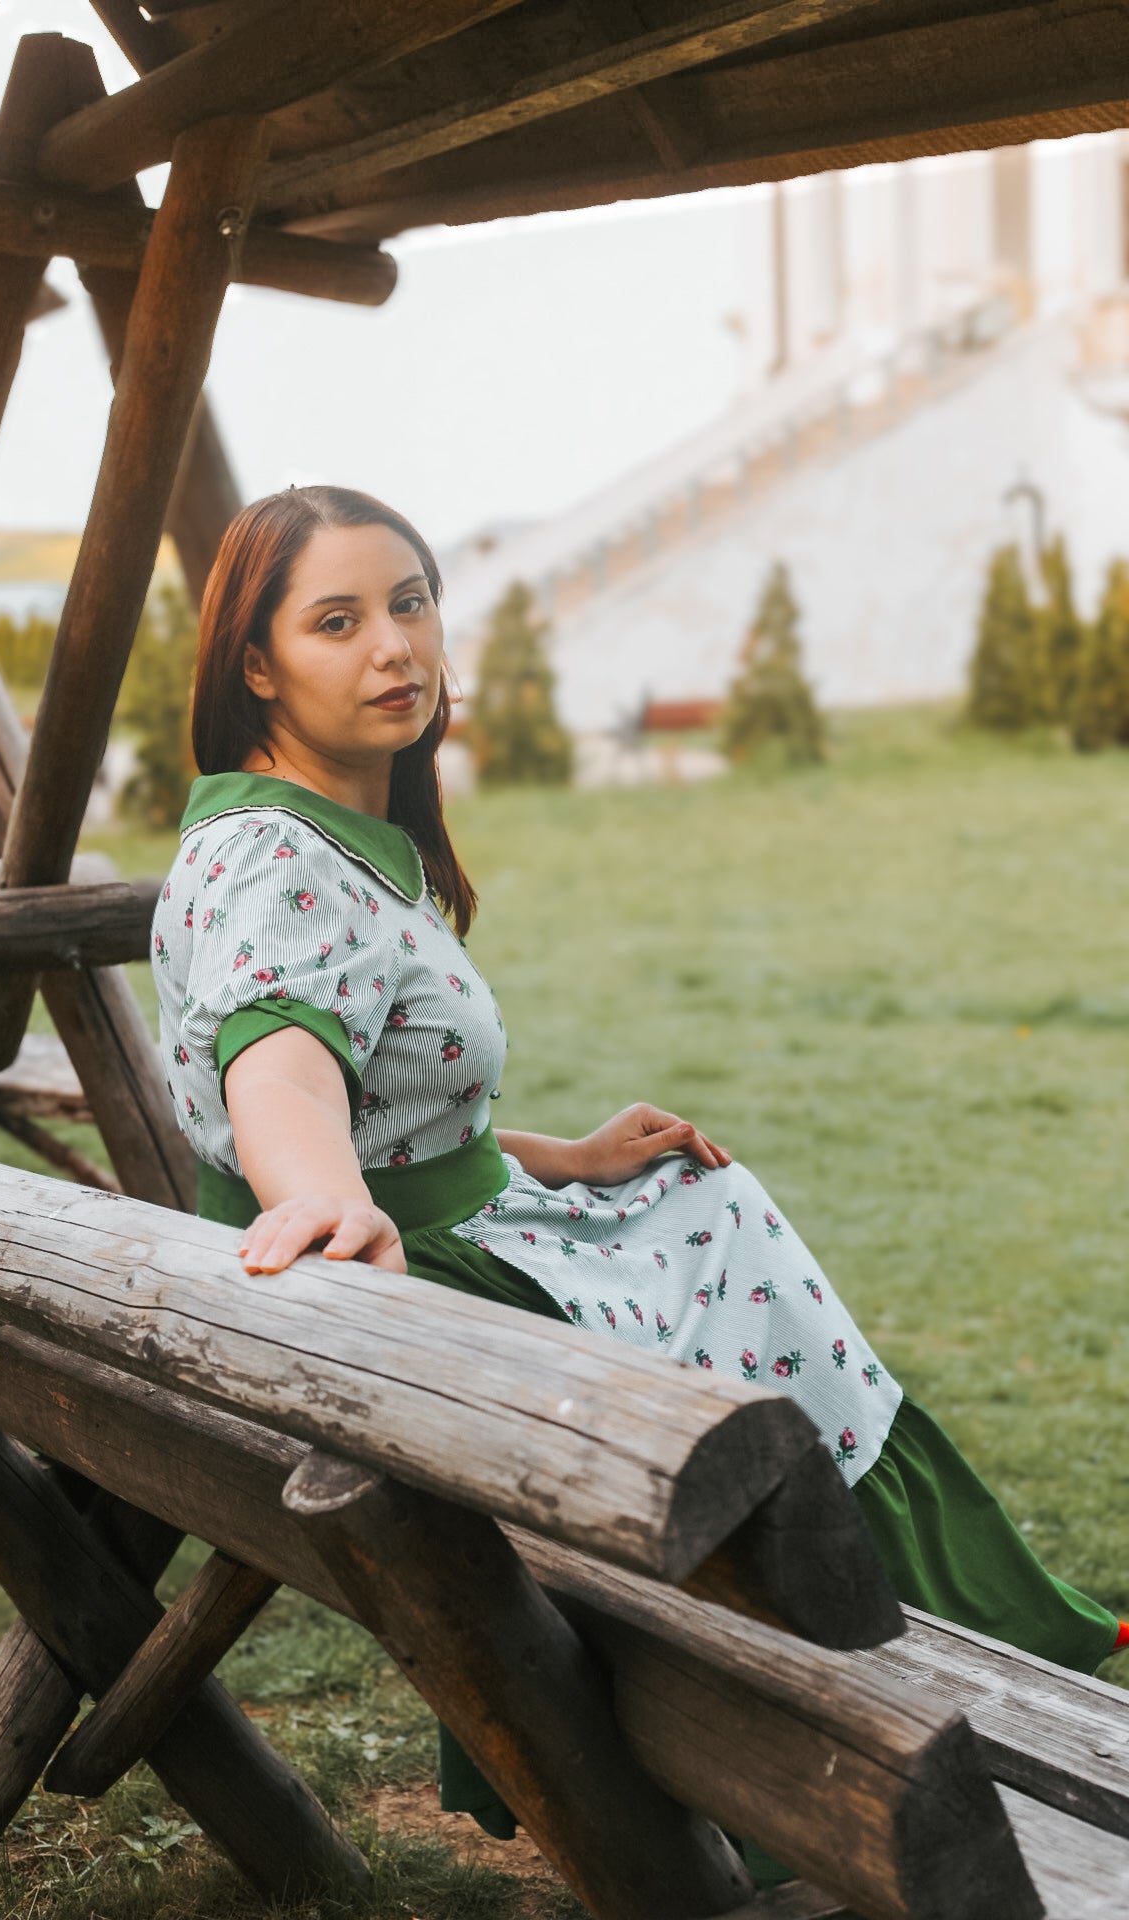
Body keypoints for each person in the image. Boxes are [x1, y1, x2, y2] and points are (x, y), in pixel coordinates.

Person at [151, 485, 1127, 1844]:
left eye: (413, 603)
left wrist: (556, 1154)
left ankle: (887, 1639)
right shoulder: (273, 859)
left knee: (697, 1195)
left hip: (420, 1236)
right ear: (257, 665)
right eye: (338, 621)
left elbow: (380, 1095)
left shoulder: (306, 831)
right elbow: (284, 1066)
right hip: (387, 1298)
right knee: (722, 1245)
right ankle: (843, 1689)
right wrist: (314, 1193)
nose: (396, 648)